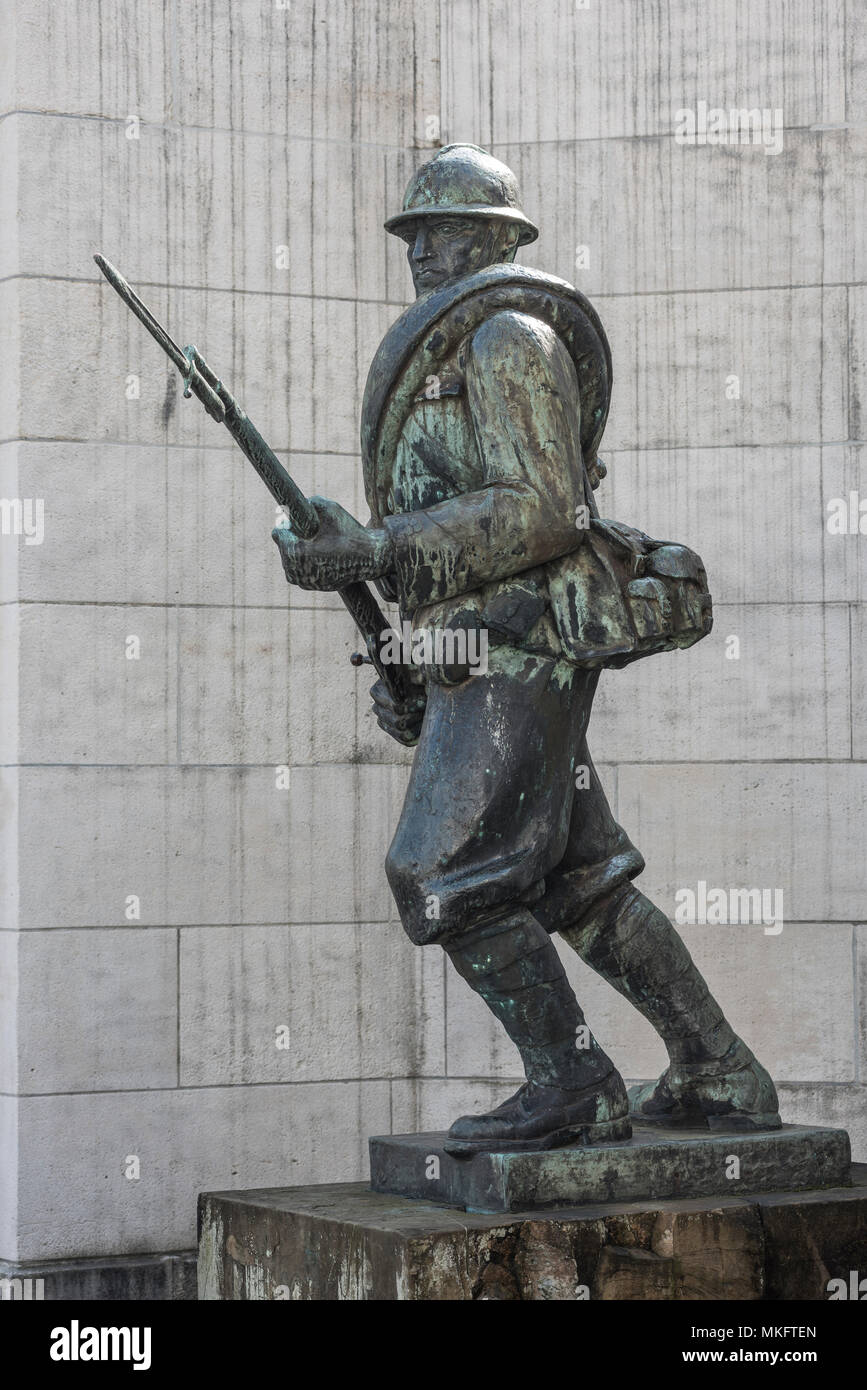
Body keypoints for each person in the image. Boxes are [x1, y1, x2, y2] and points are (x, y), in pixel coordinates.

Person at [273, 144, 780, 1154]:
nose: (423, 250)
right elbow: (463, 528)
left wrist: (374, 549)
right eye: (415, 233)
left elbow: (542, 512)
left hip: (525, 641)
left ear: (501, 239)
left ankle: (572, 1080)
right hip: (484, 645)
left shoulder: (508, 337)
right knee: (576, 880)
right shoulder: (451, 349)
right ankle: (722, 1070)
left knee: (438, 869)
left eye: (445, 229)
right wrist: (408, 649)